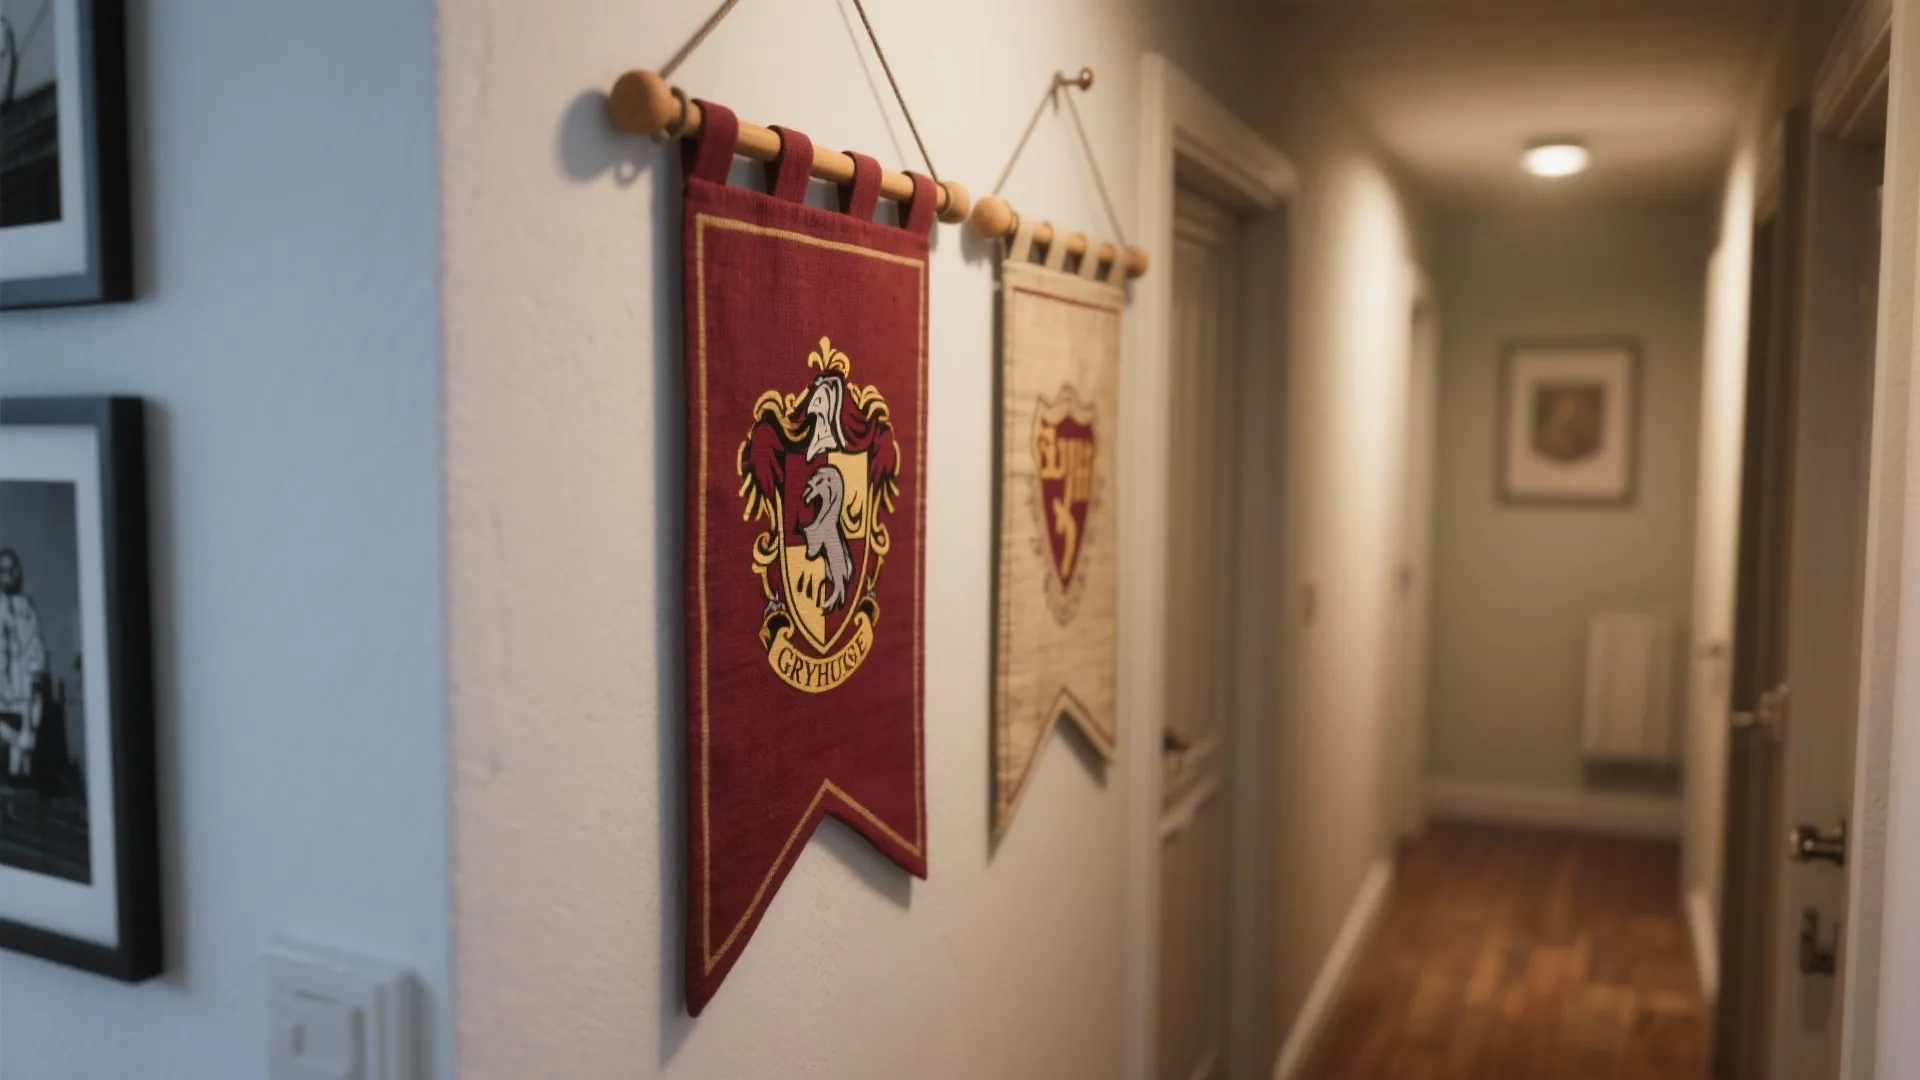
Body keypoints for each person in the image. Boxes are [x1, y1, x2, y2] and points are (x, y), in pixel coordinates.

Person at [0, 550, 48, 779]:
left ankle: (20, 774)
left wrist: (34, 677)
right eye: (3, 570)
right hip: (2, 687)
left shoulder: (26, 607)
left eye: (13, 569)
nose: (8, 575)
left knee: (25, 742)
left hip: (22, 687)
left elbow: (35, 646)